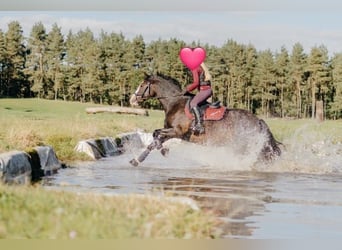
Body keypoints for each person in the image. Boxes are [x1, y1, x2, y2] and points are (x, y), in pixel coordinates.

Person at [182, 62, 212, 134]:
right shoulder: (199, 67)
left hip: (205, 90)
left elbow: (196, 83)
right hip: (204, 90)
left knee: (193, 103)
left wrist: (187, 89)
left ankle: (199, 125)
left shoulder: (195, 68)